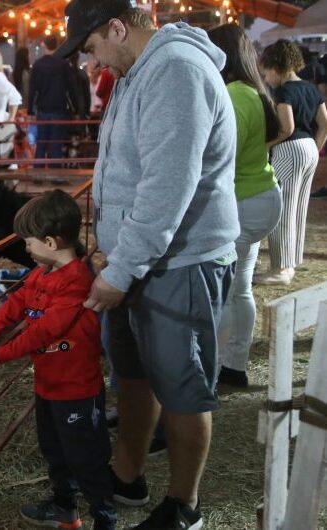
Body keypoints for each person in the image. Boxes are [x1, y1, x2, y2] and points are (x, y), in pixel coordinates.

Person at [62, 1, 239, 528]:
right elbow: (130, 170)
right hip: (143, 256)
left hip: (180, 258)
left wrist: (120, 269)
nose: (94, 63)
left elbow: (167, 184)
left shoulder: (175, 70)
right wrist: (115, 250)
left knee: (180, 383)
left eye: (93, 49)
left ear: (118, 27)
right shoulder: (143, 70)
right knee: (135, 373)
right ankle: (128, 474)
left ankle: (185, 504)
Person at [0, 190, 116, 530]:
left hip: (77, 390)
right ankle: (66, 507)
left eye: (28, 242)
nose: (26, 249)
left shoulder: (77, 282)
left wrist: (0, 353)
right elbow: (15, 305)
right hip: (49, 385)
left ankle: (104, 517)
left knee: (86, 457)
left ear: (50, 243)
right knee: (55, 450)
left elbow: (42, 333)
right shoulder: (42, 274)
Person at [206, 25, 283, 388]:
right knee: (239, 288)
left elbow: (224, 153)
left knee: (223, 290)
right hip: (260, 196)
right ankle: (233, 364)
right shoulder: (253, 90)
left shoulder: (234, 94)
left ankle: (220, 364)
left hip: (243, 202)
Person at [254, 40, 327, 285]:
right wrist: (315, 149)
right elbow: (325, 123)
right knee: (299, 208)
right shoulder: (311, 89)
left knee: (282, 208)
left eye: (266, 72)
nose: (266, 78)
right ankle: (291, 263)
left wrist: (264, 146)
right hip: (309, 149)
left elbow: (286, 128)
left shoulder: (283, 92)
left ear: (276, 66)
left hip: (289, 149)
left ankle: (280, 268)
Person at [28, 35, 82, 167]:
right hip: (59, 109)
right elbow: (71, 89)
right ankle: (56, 175)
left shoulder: (37, 65)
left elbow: (32, 90)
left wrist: (30, 110)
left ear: (44, 45)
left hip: (42, 110)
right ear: (57, 45)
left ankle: (38, 174)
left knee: (41, 143)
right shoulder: (63, 65)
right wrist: (76, 110)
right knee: (56, 144)